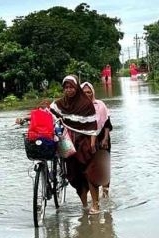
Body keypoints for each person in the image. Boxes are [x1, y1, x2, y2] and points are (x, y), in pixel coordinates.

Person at [49, 75, 104, 214]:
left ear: (76, 88)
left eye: (71, 87)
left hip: (85, 143)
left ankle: (96, 205)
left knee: (90, 174)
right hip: (68, 143)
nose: (69, 90)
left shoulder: (86, 104)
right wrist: (28, 118)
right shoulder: (60, 104)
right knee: (75, 175)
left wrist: (92, 143)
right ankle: (85, 204)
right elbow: (49, 114)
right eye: (66, 88)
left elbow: (92, 125)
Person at [81, 81, 112, 198]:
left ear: (92, 92)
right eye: (84, 92)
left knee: (104, 166)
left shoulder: (100, 105)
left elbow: (107, 124)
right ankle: (94, 195)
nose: (87, 94)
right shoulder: (78, 108)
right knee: (91, 168)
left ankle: (105, 192)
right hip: (86, 141)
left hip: (102, 139)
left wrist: (105, 139)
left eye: (89, 92)